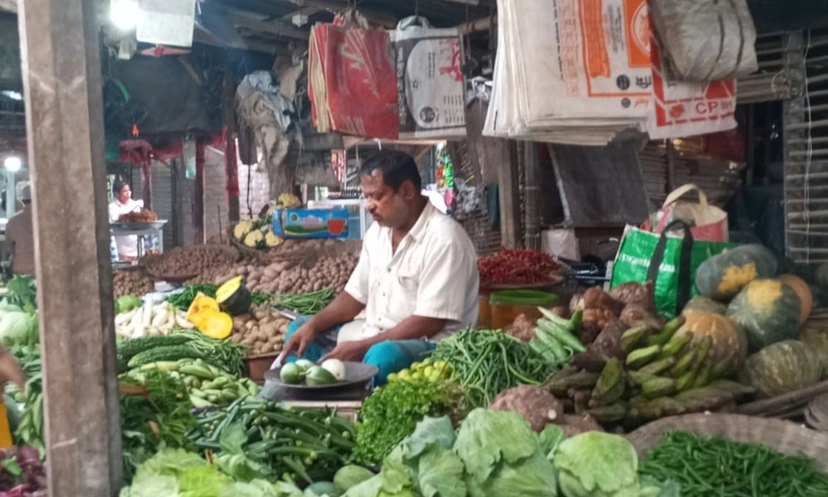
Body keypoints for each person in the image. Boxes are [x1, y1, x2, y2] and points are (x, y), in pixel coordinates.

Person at [277, 151, 480, 385]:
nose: (369, 206)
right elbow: (354, 297)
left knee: (381, 358)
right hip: (373, 332)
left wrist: (363, 347)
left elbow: (430, 321)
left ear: (406, 191)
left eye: (377, 196)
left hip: (429, 343)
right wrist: (313, 324)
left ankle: (353, 403)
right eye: (366, 197)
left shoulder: (445, 239)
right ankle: (304, 398)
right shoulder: (377, 234)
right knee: (301, 330)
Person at [108, 179, 143, 262]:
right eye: (125, 191)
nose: (128, 193)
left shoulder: (135, 204)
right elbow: (117, 220)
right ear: (116, 194)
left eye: (129, 190)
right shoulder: (112, 207)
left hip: (137, 250)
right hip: (122, 251)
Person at [5, 184, 34, 276]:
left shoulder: (13, 221)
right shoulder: (48, 220)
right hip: (45, 269)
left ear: (23, 201)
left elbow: (10, 249)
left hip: (21, 271)